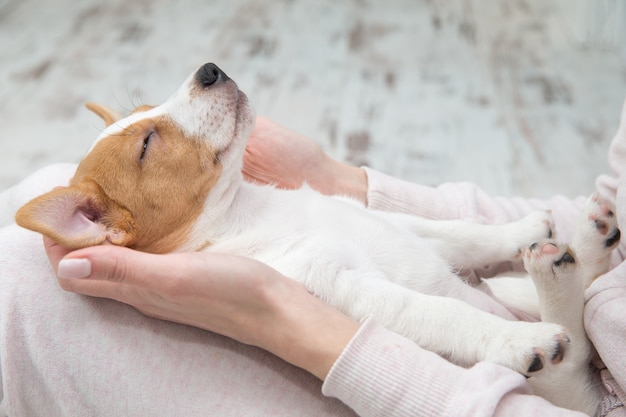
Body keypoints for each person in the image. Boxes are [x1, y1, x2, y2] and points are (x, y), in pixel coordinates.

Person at [3, 108, 626, 416]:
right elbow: (397, 233)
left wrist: (279, 315)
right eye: (149, 139)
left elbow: (394, 304)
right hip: (543, 329)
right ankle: (569, 306)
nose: (193, 92)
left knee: (17, 282)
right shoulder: (266, 220)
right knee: (39, 195)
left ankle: (567, 326)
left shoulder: (287, 261)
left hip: (504, 387)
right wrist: (332, 177)